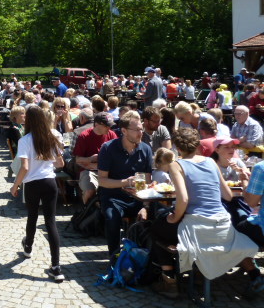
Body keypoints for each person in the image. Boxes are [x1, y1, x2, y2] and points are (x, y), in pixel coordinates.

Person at [149, 129, 262, 299]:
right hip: (222, 224)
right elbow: (228, 196)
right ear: (198, 145)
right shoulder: (211, 162)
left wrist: (174, 217)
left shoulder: (176, 165)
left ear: (178, 149)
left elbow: (184, 199)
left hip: (197, 226)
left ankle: (169, 281)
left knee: (156, 228)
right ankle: (194, 274)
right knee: (165, 226)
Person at [10, 105, 65, 282]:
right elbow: (60, 164)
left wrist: (15, 186)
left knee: (32, 216)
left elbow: (25, 167)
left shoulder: (25, 140)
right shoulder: (54, 135)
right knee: (51, 222)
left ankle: (28, 247)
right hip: (49, 182)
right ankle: (56, 267)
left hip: (32, 183)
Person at [98, 111, 152, 261]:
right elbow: (102, 180)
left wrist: (145, 206)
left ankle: (147, 259)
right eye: (137, 130)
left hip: (138, 198)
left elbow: (147, 181)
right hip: (113, 196)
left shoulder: (145, 149)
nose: (141, 133)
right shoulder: (108, 148)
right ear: (123, 131)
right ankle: (115, 258)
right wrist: (125, 182)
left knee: (158, 216)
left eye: (142, 129)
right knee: (112, 218)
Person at [74, 112, 117, 204]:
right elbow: (77, 160)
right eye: (106, 126)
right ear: (96, 124)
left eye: (110, 126)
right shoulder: (84, 136)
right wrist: (91, 159)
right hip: (89, 171)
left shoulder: (112, 135)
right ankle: (86, 212)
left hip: (108, 170)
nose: (109, 128)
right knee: (90, 190)